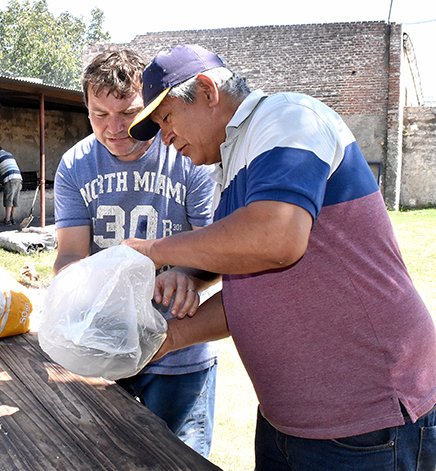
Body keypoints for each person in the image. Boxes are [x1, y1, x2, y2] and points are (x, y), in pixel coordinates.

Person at [123, 44, 436, 470]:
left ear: (207, 90)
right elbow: (255, 294)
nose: (164, 136)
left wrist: (154, 250)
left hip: (368, 422)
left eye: (167, 117)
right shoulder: (229, 168)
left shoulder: (287, 118)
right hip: (287, 421)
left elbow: (276, 238)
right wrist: (173, 332)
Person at [53, 48, 220, 457]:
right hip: (102, 342)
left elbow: (219, 249)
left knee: (180, 458)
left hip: (179, 349)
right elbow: (70, 254)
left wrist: (189, 275)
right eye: (99, 114)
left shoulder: (188, 155)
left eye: (128, 113)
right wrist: (70, 286)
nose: (115, 128)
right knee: (103, 456)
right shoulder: (75, 165)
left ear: (151, 105)